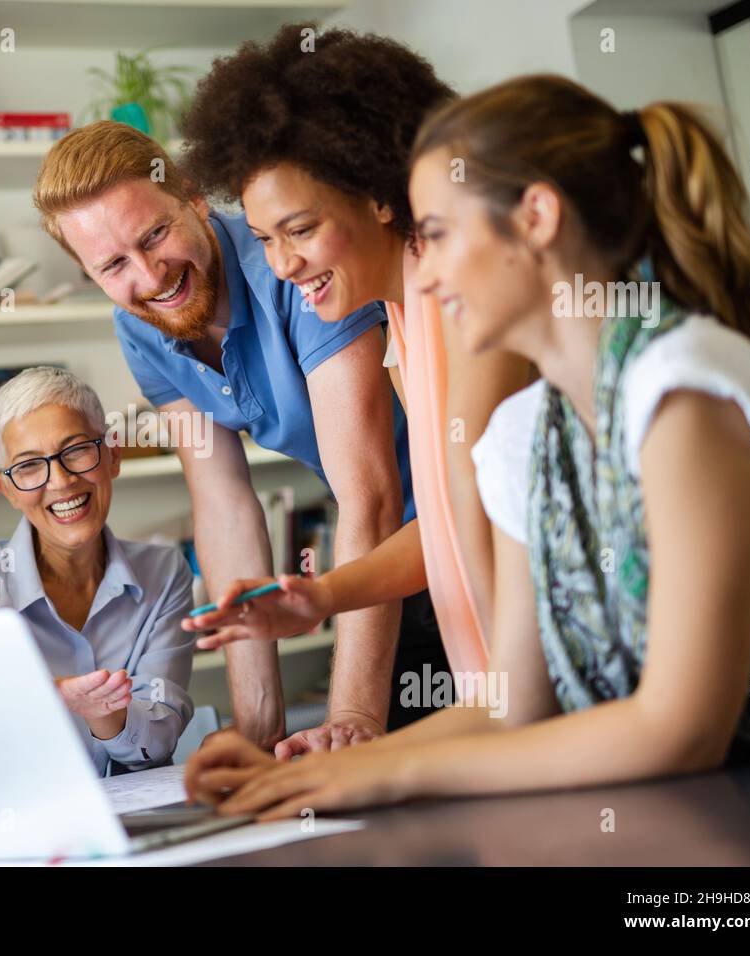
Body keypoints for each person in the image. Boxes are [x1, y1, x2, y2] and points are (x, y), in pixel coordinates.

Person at [184, 74, 750, 818]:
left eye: (438, 233)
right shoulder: (520, 439)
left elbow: (682, 729)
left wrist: (380, 776)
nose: (429, 268)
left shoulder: (681, 391)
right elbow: (511, 703)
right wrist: (323, 766)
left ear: (537, 217)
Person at [175, 25, 534, 715]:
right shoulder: (399, 320)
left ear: (378, 193)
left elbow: (475, 519)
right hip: (496, 701)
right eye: (263, 239)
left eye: (301, 230)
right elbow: (444, 524)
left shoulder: (463, 300)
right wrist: (323, 596)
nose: (281, 266)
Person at [34, 118, 418, 753]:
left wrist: (351, 716)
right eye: (112, 265)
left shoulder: (291, 267)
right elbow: (224, 506)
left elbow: (368, 495)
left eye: (154, 234)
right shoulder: (141, 330)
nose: (150, 275)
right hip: (379, 562)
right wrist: (258, 735)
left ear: (191, 195)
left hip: (450, 536)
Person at [0, 366, 195, 775]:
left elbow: (158, 739)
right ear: (6, 489)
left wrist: (101, 712)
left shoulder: (164, 572)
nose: (61, 481)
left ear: (112, 454)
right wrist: (57, 694)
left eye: (77, 450)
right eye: (29, 466)